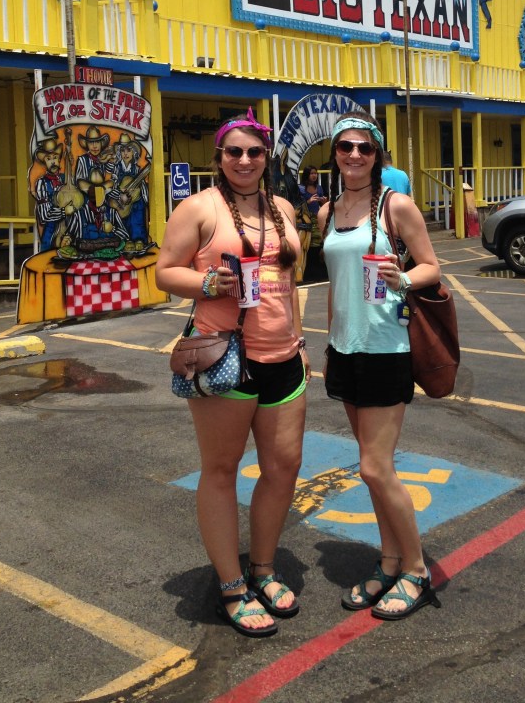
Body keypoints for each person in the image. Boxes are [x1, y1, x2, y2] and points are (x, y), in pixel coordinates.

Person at [155, 108, 308, 638]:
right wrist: (207, 285)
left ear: (267, 157)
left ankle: (262, 567)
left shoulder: (282, 207)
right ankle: (231, 586)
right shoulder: (199, 208)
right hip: (228, 357)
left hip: (284, 357)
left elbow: (290, 281)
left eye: (255, 152)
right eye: (234, 152)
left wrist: (300, 340)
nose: (245, 160)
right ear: (219, 157)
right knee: (221, 470)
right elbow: (165, 272)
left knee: (283, 467)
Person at [318, 111, 442, 620]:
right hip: (345, 348)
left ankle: (416, 570)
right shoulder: (327, 212)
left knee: (375, 466)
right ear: (334, 153)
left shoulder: (397, 206)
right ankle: (389, 561)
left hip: (387, 348)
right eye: (345, 146)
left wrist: (404, 279)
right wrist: (328, 342)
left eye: (364, 148)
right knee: (372, 471)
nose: (354, 155)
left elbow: (432, 266)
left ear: (377, 155)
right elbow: (334, 284)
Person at [296, 165, 328, 282]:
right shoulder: (301, 189)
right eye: (311, 173)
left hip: (316, 218)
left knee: (319, 243)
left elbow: (322, 205)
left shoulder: (319, 188)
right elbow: (297, 206)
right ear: (306, 175)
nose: (314, 175)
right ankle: (307, 273)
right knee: (307, 245)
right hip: (305, 220)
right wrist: (308, 202)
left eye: (315, 173)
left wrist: (323, 202)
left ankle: (320, 272)